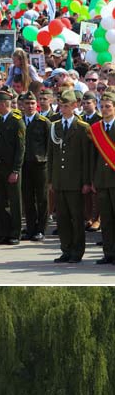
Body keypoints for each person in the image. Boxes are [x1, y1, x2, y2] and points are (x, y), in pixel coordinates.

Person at [48, 89, 92, 265]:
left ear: (75, 106)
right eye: (61, 105)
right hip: (60, 180)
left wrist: (86, 181)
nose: (63, 109)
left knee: (76, 217)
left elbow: (86, 158)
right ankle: (65, 249)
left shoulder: (82, 128)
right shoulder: (55, 126)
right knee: (62, 218)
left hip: (75, 181)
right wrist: (51, 179)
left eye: (66, 106)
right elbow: (51, 155)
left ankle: (77, 251)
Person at [0, 90, 25, 245]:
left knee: (14, 202)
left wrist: (16, 170)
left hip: (11, 168)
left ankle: (15, 233)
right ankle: (4, 233)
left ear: (4, 104)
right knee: (1, 201)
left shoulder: (17, 121)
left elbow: (20, 148)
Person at [21, 91, 50, 242]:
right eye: (27, 103)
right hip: (24, 164)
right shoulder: (19, 120)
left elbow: (49, 146)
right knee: (27, 198)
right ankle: (30, 228)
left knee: (42, 198)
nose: (30, 106)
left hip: (40, 164)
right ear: (22, 105)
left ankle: (41, 229)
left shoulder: (43, 122)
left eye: (33, 103)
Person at [90, 90, 115, 265]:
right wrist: (92, 179)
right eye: (102, 106)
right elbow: (92, 157)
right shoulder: (96, 129)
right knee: (106, 219)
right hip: (101, 179)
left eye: (108, 106)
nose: (105, 109)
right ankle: (109, 253)